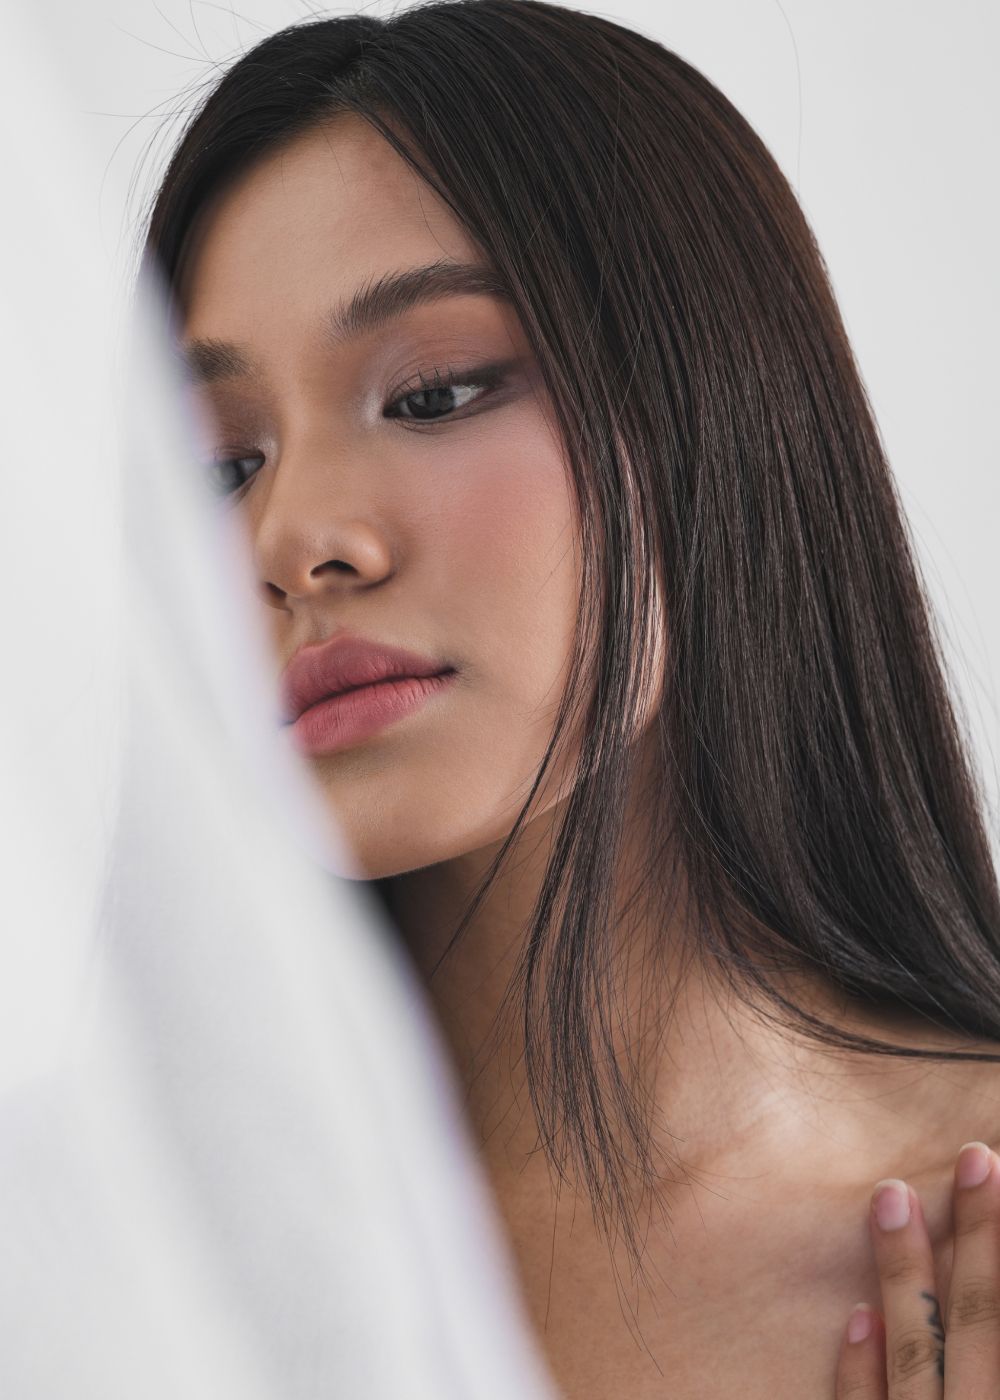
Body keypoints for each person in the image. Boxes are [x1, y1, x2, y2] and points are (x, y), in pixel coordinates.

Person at [138, 1, 1000, 1394]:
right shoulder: (134, 1249)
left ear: (712, 409)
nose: (294, 541)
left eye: (434, 393)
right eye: (215, 469)